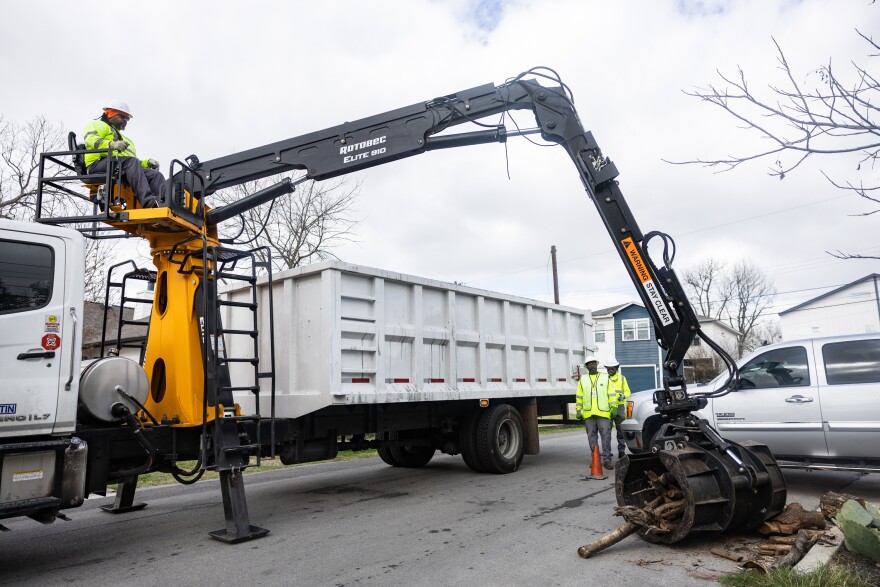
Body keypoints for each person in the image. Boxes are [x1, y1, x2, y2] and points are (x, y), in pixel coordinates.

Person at [83, 100, 164, 208]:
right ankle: (149, 202)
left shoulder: (125, 139)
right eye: (122, 117)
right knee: (130, 162)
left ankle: (166, 203)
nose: (125, 121)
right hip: (97, 164)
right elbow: (91, 140)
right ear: (110, 114)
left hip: (117, 165)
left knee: (155, 175)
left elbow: (132, 164)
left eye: (127, 119)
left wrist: (146, 163)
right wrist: (112, 144)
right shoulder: (98, 124)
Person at [575, 355, 616, 470]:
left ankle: (607, 459)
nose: (592, 365)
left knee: (606, 436)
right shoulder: (583, 379)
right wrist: (578, 410)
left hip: (604, 413)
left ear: (597, 365)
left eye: (594, 363)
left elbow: (611, 394)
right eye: (590, 364)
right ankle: (595, 458)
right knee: (591, 437)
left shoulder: (605, 377)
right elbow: (579, 396)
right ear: (587, 366)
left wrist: (614, 407)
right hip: (589, 414)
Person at [605, 357, 631, 459]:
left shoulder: (622, 378)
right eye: (608, 369)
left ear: (616, 368)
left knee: (620, 430)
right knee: (606, 431)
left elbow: (627, 391)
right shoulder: (604, 379)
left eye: (612, 368)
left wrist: (624, 396)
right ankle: (607, 453)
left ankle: (621, 451)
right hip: (607, 407)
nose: (610, 370)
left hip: (619, 407)